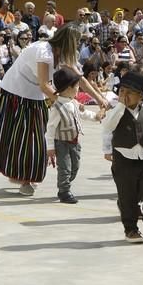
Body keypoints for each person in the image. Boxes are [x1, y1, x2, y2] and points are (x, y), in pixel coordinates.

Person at [0, 24, 107, 196]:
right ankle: (25, 179)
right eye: (76, 42)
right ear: (68, 42)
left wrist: (100, 99)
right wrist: (65, 103)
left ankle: (24, 175)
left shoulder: (64, 55)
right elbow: (44, 85)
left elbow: (80, 80)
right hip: (15, 92)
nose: (78, 46)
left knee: (39, 138)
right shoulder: (44, 52)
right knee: (27, 141)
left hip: (36, 96)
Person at [102, 71, 143, 243]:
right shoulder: (116, 110)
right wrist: (121, 107)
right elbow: (107, 127)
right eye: (122, 91)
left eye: (130, 93)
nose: (125, 95)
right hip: (123, 160)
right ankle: (130, 229)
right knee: (127, 196)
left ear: (140, 96)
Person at [45, 67, 103, 204]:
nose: (78, 89)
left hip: (75, 142)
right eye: (77, 86)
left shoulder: (73, 103)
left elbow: (83, 114)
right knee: (64, 168)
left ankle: (64, 184)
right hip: (62, 143)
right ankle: (64, 191)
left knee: (75, 167)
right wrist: (50, 148)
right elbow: (51, 128)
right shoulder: (57, 107)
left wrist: (95, 116)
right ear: (68, 88)